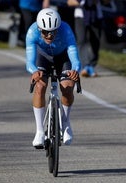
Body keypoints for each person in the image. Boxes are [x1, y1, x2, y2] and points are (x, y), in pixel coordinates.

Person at [25, 8, 81, 148]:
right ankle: (39, 131)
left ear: (58, 28)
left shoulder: (66, 30)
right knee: (40, 85)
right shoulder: (32, 32)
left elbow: (75, 57)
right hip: (42, 57)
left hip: (63, 57)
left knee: (67, 87)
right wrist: (34, 72)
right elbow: (30, 62)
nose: (49, 36)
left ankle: (66, 123)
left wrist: (75, 71)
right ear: (39, 29)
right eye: (45, 32)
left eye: (53, 32)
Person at [67, 0, 103, 77]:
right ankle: (85, 66)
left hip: (96, 15)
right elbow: (69, 2)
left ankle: (92, 65)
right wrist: (83, 2)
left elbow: (107, 2)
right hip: (80, 15)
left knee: (95, 41)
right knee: (81, 40)